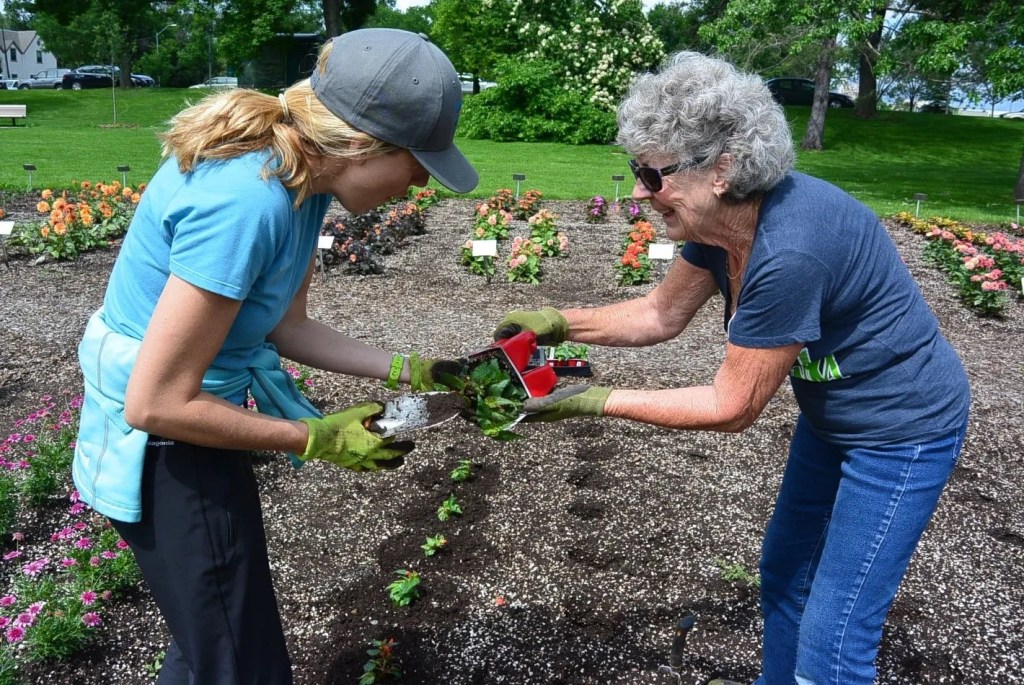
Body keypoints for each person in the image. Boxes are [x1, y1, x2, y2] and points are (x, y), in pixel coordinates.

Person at [494, 52, 969, 685]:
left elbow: (731, 405)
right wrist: (554, 323)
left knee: (838, 633)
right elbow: (660, 315)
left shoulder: (790, 249)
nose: (639, 190)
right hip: (835, 422)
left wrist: (589, 398)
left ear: (721, 169)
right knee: (784, 573)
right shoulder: (720, 228)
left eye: (651, 173)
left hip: (903, 431)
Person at [72, 29, 476, 684]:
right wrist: (313, 437)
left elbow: (286, 327)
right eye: (418, 160)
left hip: (195, 424)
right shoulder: (245, 201)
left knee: (209, 648)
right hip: (168, 453)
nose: (421, 179)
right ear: (362, 145)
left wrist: (414, 369)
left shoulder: (303, 179)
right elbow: (156, 403)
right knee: (241, 664)